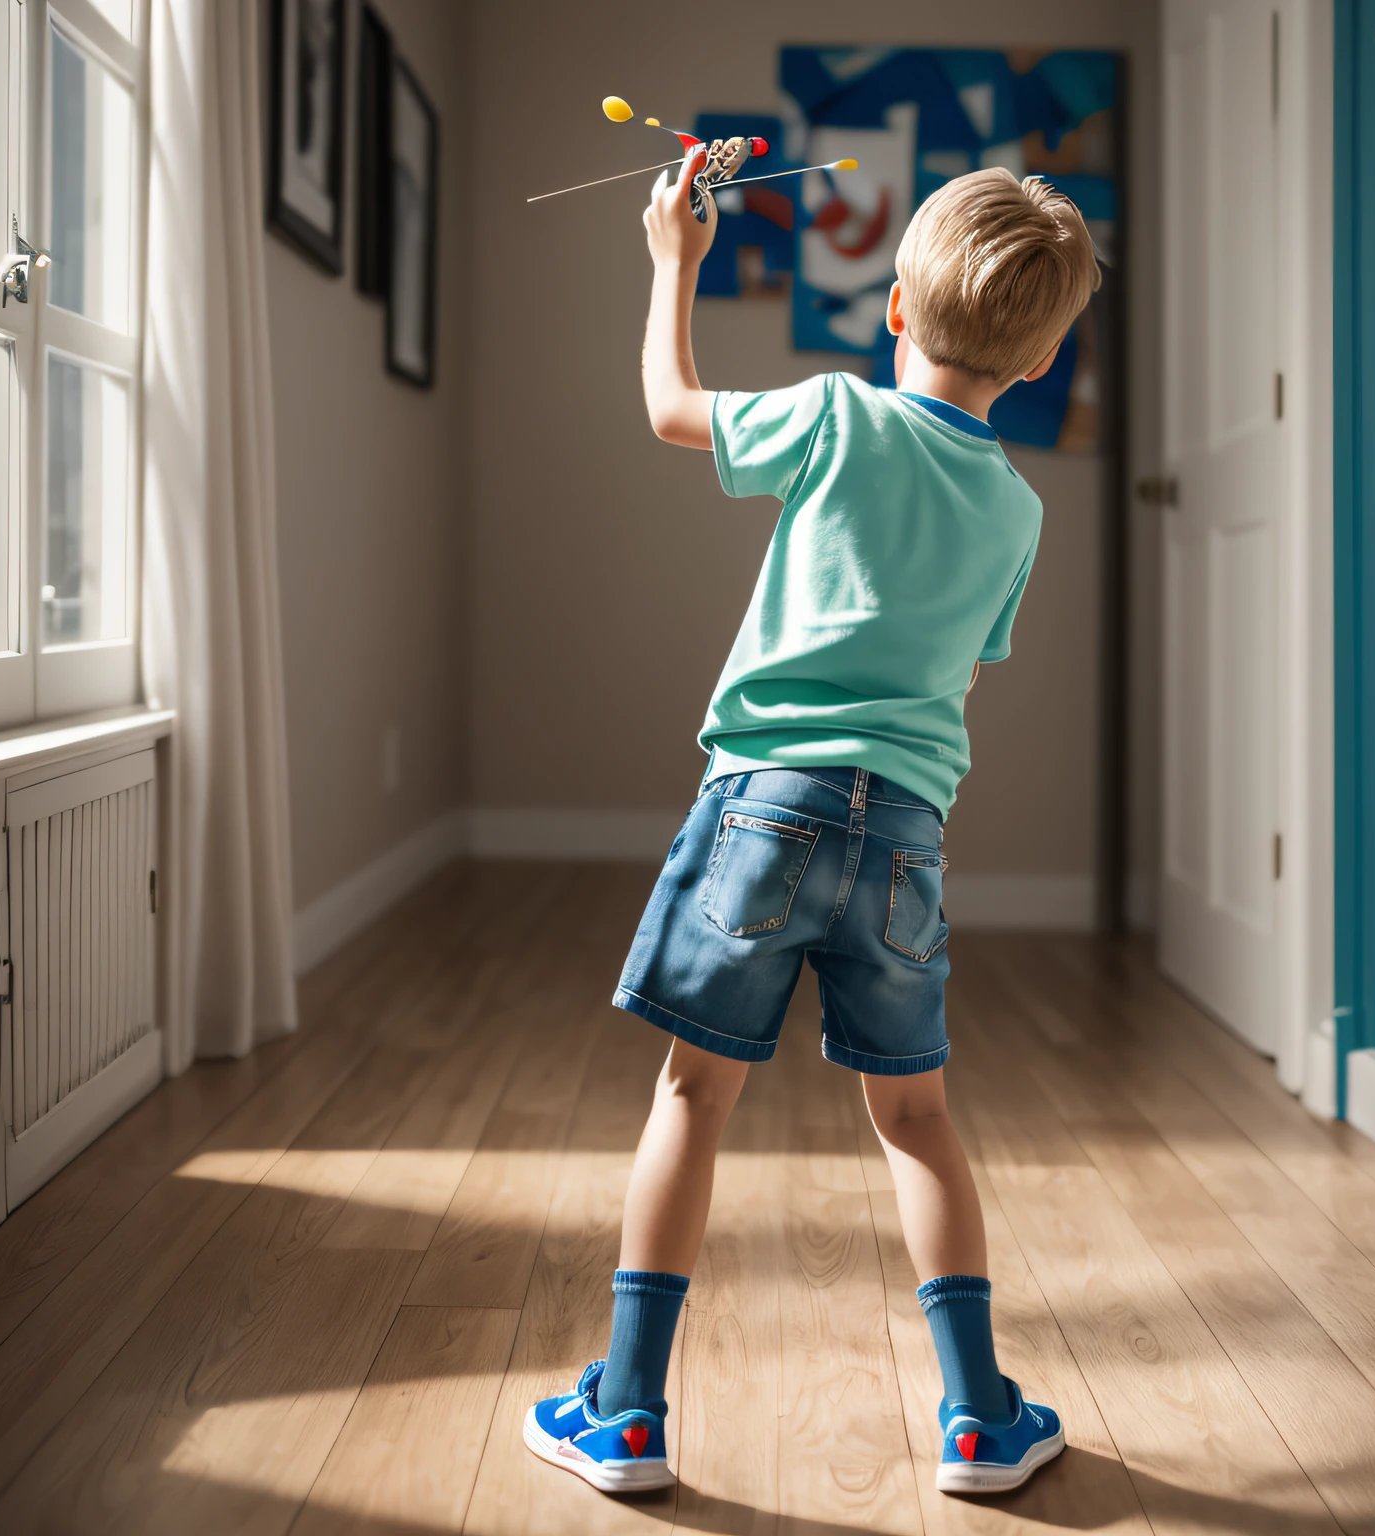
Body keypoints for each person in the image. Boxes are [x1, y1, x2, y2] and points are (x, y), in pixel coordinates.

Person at [523, 146, 1100, 1498]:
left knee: (692, 1095)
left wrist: (676, 262)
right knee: (917, 1123)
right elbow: (960, 665)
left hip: (763, 810)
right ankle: (974, 1420)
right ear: (1033, 367)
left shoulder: (840, 418)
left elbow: (672, 409)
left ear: (893, 309)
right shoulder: (1016, 512)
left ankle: (627, 1411)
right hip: (903, 838)